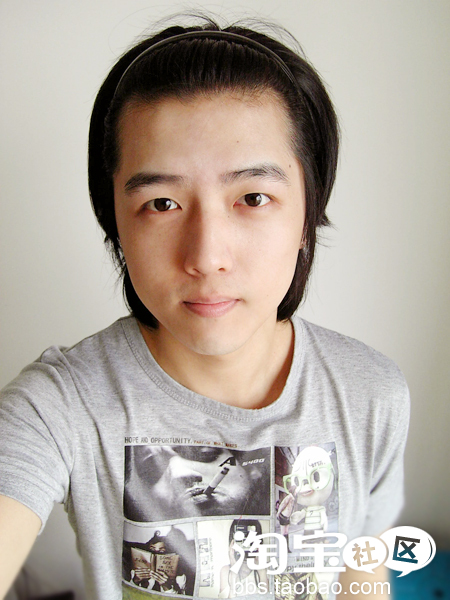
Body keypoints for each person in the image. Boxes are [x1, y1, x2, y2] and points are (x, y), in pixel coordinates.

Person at [0, 16, 409, 600]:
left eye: (253, 197)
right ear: (115, 223)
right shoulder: (60, 407)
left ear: (306, 214)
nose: (206, 256)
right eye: (161, 203)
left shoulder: (372, 395)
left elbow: (361, 574)